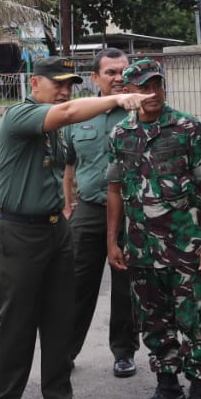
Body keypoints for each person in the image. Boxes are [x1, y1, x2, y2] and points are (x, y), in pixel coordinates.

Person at [0, 56, 145, 399]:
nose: (64, 91)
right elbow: (71, 112)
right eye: (56, 83)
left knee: (59, 321)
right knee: (17, 322)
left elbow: (66, 166)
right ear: (33, 84)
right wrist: (117, 100)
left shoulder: (56, 128)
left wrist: (68, 206)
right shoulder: (20, 115)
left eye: (69, 84)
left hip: (56, 231)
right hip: (18, 233)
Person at [106, 58, 201, 399]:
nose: (152, 93)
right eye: (142, 87)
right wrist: (113, 240)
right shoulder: (121, 134)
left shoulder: (187, 129)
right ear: (129, 92)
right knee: (153, 322)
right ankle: (168, 388)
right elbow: (115, 191)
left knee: (195, 321)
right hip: (142, 249)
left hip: (186, 246)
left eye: (156, 85)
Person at [62, 48, 139, 379]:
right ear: (95, 78)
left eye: (123, 71)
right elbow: (68, 165)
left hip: (133, 212)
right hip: (90, 210)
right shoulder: (78, 115)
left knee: (126, 286)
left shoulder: (140, 111)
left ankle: (124, 351)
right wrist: (67, 205)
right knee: (77, 284)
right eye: (110, 72)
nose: (119, 77)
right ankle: (66, 351)